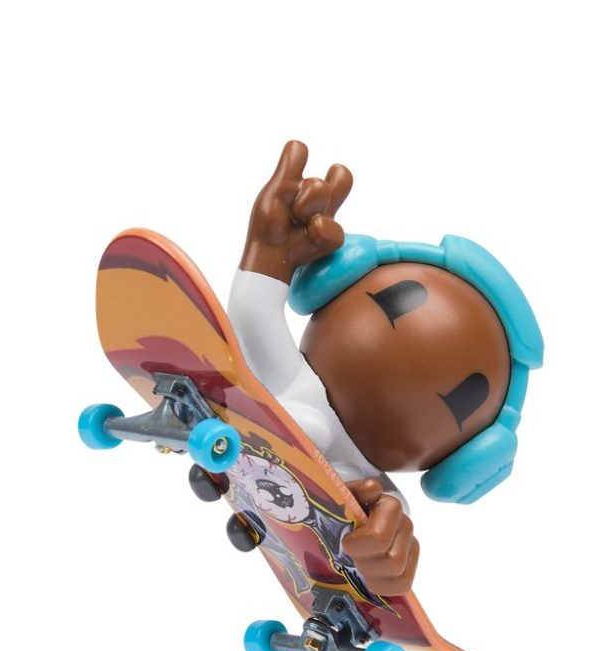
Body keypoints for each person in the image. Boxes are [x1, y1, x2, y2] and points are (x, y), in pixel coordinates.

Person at [227, 141, 543, 596]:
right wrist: (269, 248)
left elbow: (387, 526)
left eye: (462, 398)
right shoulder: (289, 378)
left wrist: (383, 555)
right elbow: (252, 311)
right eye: (396, 305)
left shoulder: (367, 492)